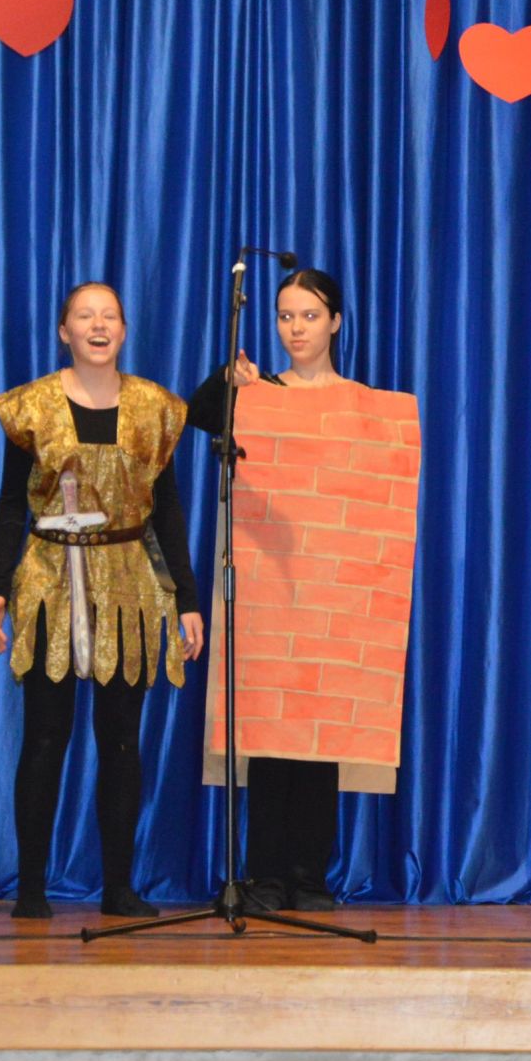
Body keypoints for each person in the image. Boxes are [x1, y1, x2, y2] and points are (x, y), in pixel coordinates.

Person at [0, 282, 205, 920]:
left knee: (121, 741)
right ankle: (31, 889)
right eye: (85, 315)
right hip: (50, 580)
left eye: (109, 315)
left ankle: (118, 889)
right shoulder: (32, 406)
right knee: (45, 737)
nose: (98, 325)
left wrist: (186, 599)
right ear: (65, 332)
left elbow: (167, 510)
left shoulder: (155, 408)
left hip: (128, 584)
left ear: (124, 330)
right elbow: (10, 504)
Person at [186, 267, 349, 913]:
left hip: (331, 589)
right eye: (285, 316)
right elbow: (198, 415)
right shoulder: (261, 392)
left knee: (321, 735)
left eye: (309, 315)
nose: (296, 328)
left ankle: (310, 875)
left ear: (335, 322)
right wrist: (229, 380)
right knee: (270, 731)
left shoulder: (359, 403)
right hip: (267, 588)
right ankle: (266, 874)